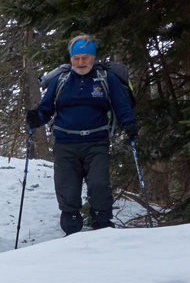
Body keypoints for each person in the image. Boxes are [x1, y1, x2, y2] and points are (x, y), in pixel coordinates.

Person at [26, 35, 138, 234]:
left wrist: (129, 124)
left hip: (97, 142)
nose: (81, 62)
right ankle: (71, 232)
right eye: (76, 58)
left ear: (93, 58)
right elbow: (46, 108)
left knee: (99, 184)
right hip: (65, 143)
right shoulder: (61, 80)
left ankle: (103, 227)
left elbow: (122, 107)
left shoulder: (105, 78)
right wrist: (37, 118)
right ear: (71, 58)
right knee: (67, 188)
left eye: (85, 58)